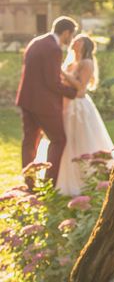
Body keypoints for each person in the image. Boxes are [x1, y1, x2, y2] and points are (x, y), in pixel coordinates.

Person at [16, 17, 80, 189]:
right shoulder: (53, 48)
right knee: (59, 139)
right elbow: (52, 82)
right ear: (66, 32)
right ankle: (49, 184)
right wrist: (73, 92)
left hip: (26, 100)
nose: (71, 39)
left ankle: (30, 184)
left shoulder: (35, 42)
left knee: (29, 141)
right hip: (44, 104)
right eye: (71, 35)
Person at [54, 34, 114, 195]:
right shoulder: (71, 62)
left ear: (85, 45)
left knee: (80, 139)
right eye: (75, 39)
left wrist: (61, 72)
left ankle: (87, 178)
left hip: (78, 106)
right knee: (66, 140)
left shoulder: (86, 63)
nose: (75, 41)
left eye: (79, 40)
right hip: (66, 104)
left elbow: (81, 88)